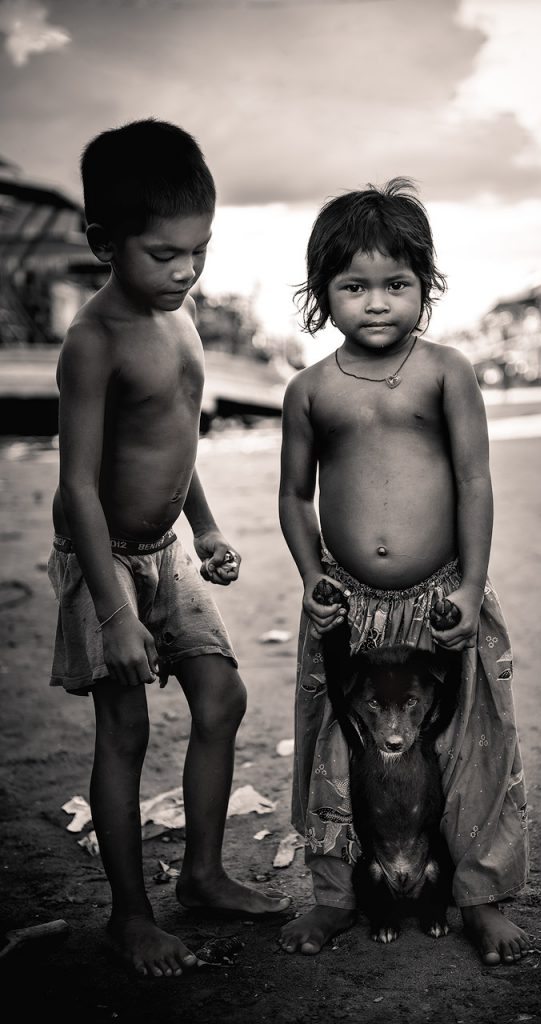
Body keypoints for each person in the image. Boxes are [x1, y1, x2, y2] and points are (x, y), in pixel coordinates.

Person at [47, 119, 290, 978]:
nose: (187, 270)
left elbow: (171, 446)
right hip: (102, 557)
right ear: (105, 243)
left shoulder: (179, 318)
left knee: (220, 699)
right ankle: (130, 916)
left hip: (168, 547)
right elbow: (78, 484)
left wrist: (211, 526)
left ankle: (203, 873)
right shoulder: (97, 340)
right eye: (164, 253)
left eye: (201, 249)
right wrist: (114, 610)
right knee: (125, 728)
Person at [277, 178, 530, 966]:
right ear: (322, 295)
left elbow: (474, 482)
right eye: (354, 286)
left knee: (470, 744)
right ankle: (333, 896)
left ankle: (481, 896)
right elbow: (294, 496)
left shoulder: (448, 371)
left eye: (397, 284)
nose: (377, 302)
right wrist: (313, 577)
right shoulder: (310, 390)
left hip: (440, 597)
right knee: (333, 749)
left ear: (426, 287)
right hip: (345, 609)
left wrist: (468, 583)